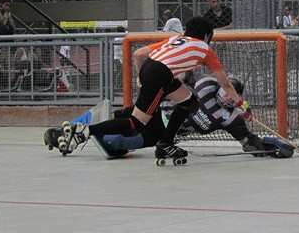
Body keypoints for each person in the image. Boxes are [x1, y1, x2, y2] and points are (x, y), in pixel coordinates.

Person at [75, 16, 241, 163]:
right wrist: (239, 101)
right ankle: (87, 130)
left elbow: (139, 54)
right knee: (137, 123)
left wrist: (142, 78)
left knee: (189, 101)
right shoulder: (205, 50)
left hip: (153, 69)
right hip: (161, 75)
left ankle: (165, 143)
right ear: (206, 36)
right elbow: (225, 85)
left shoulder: (176, 39)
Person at [44, 76, 294, 159]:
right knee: (121, 118)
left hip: (162, 135)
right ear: (220, 86)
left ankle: (79, 134)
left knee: (116, 145)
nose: (228, 98)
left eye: (234, 96)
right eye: (226, 91)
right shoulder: (206, 85)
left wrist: (271, 147)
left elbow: (248, 142)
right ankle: (73, 130)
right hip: (154, 111)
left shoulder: (231, 118)